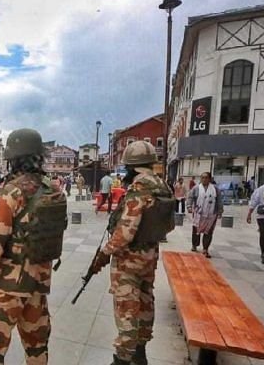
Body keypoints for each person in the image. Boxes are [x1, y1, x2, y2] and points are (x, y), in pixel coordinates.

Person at [0, 128, 67, 365]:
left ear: (13, 159)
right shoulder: (53, 191)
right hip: (38, 287)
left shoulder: (11, 193)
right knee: (37, 350)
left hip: (6, 290)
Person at [89, 140, 175, 365]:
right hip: (149, 257)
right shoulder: (162, 187)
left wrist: (104, 254)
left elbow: (125, 233)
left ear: (132, 167)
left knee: (127, 309)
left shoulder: (139, 190)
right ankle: (140, 353)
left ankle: (122, 359)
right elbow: (170, 225)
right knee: (146, 302)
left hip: (128, 261)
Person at [186, 172, 223, 258]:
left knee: (208, 232)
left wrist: (220, 211)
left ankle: (205, 248)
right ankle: (194, 245)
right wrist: (189, 207)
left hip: (211, 214)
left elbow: (219, 201)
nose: (204, 179)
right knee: (196, 230)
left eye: (206, 178)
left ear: (210, 179)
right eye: (202, 177)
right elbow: (190, 197)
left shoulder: (215, 189)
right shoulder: (196, 188)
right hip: (199, 214)